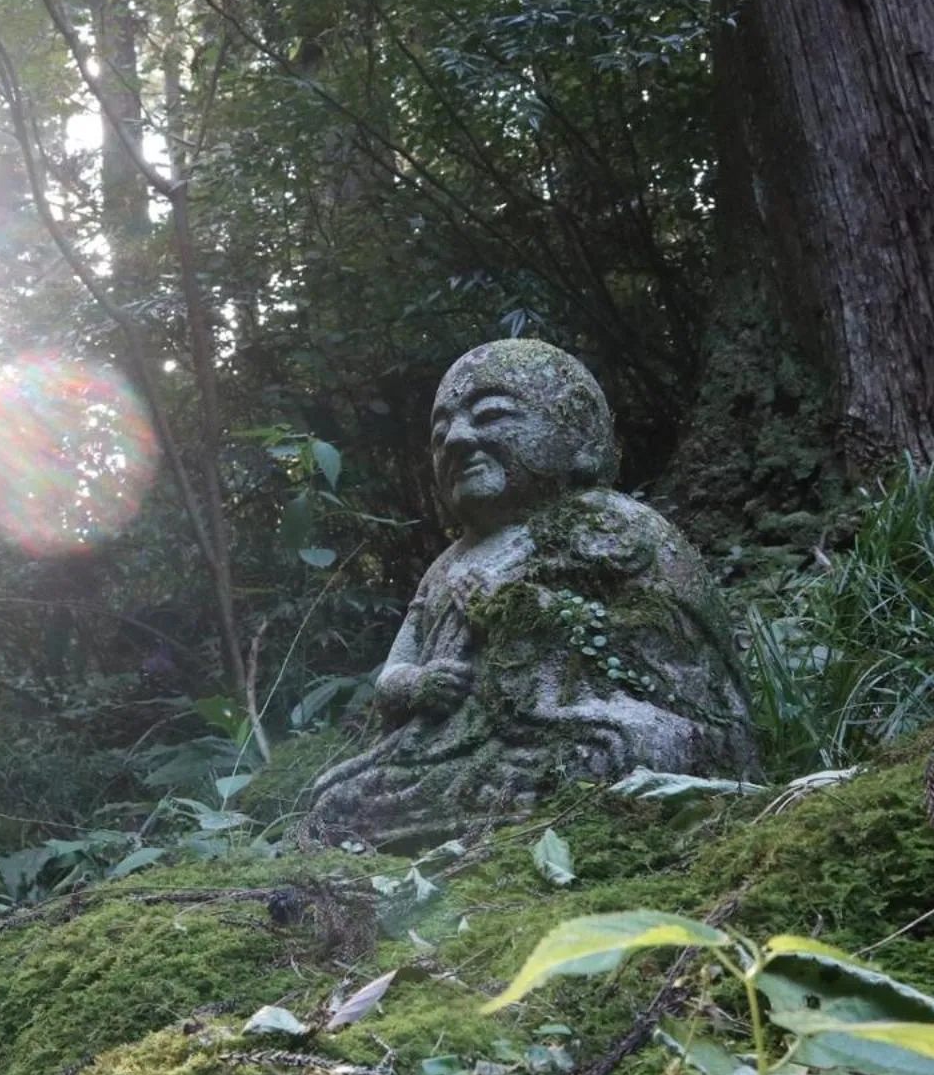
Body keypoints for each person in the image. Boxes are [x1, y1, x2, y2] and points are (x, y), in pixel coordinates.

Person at [298, 339, 757, 850]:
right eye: (440, 433)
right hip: (455, 749)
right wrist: (417, 685)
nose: (457, 440)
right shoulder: (445, 567)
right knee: (333, 801)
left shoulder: (613, 524)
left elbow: (666, 648)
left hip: (579, 727)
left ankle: (499, 815)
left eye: (491, 415)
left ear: (578, 427)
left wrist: (521, 610)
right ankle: (487, 814)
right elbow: (393, 672)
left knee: (630, 748)